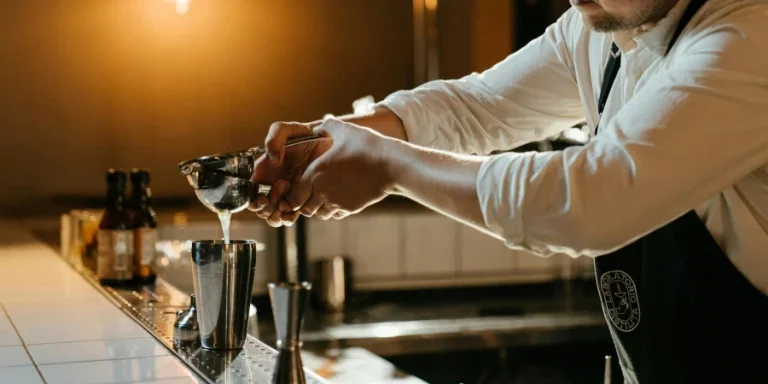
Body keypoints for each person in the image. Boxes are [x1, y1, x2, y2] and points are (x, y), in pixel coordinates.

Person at [250, 0, 768, 382]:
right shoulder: (599, 30)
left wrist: (387, 165)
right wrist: (332, 138)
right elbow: (477, 106)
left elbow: (585, 201)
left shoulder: (747, 37)